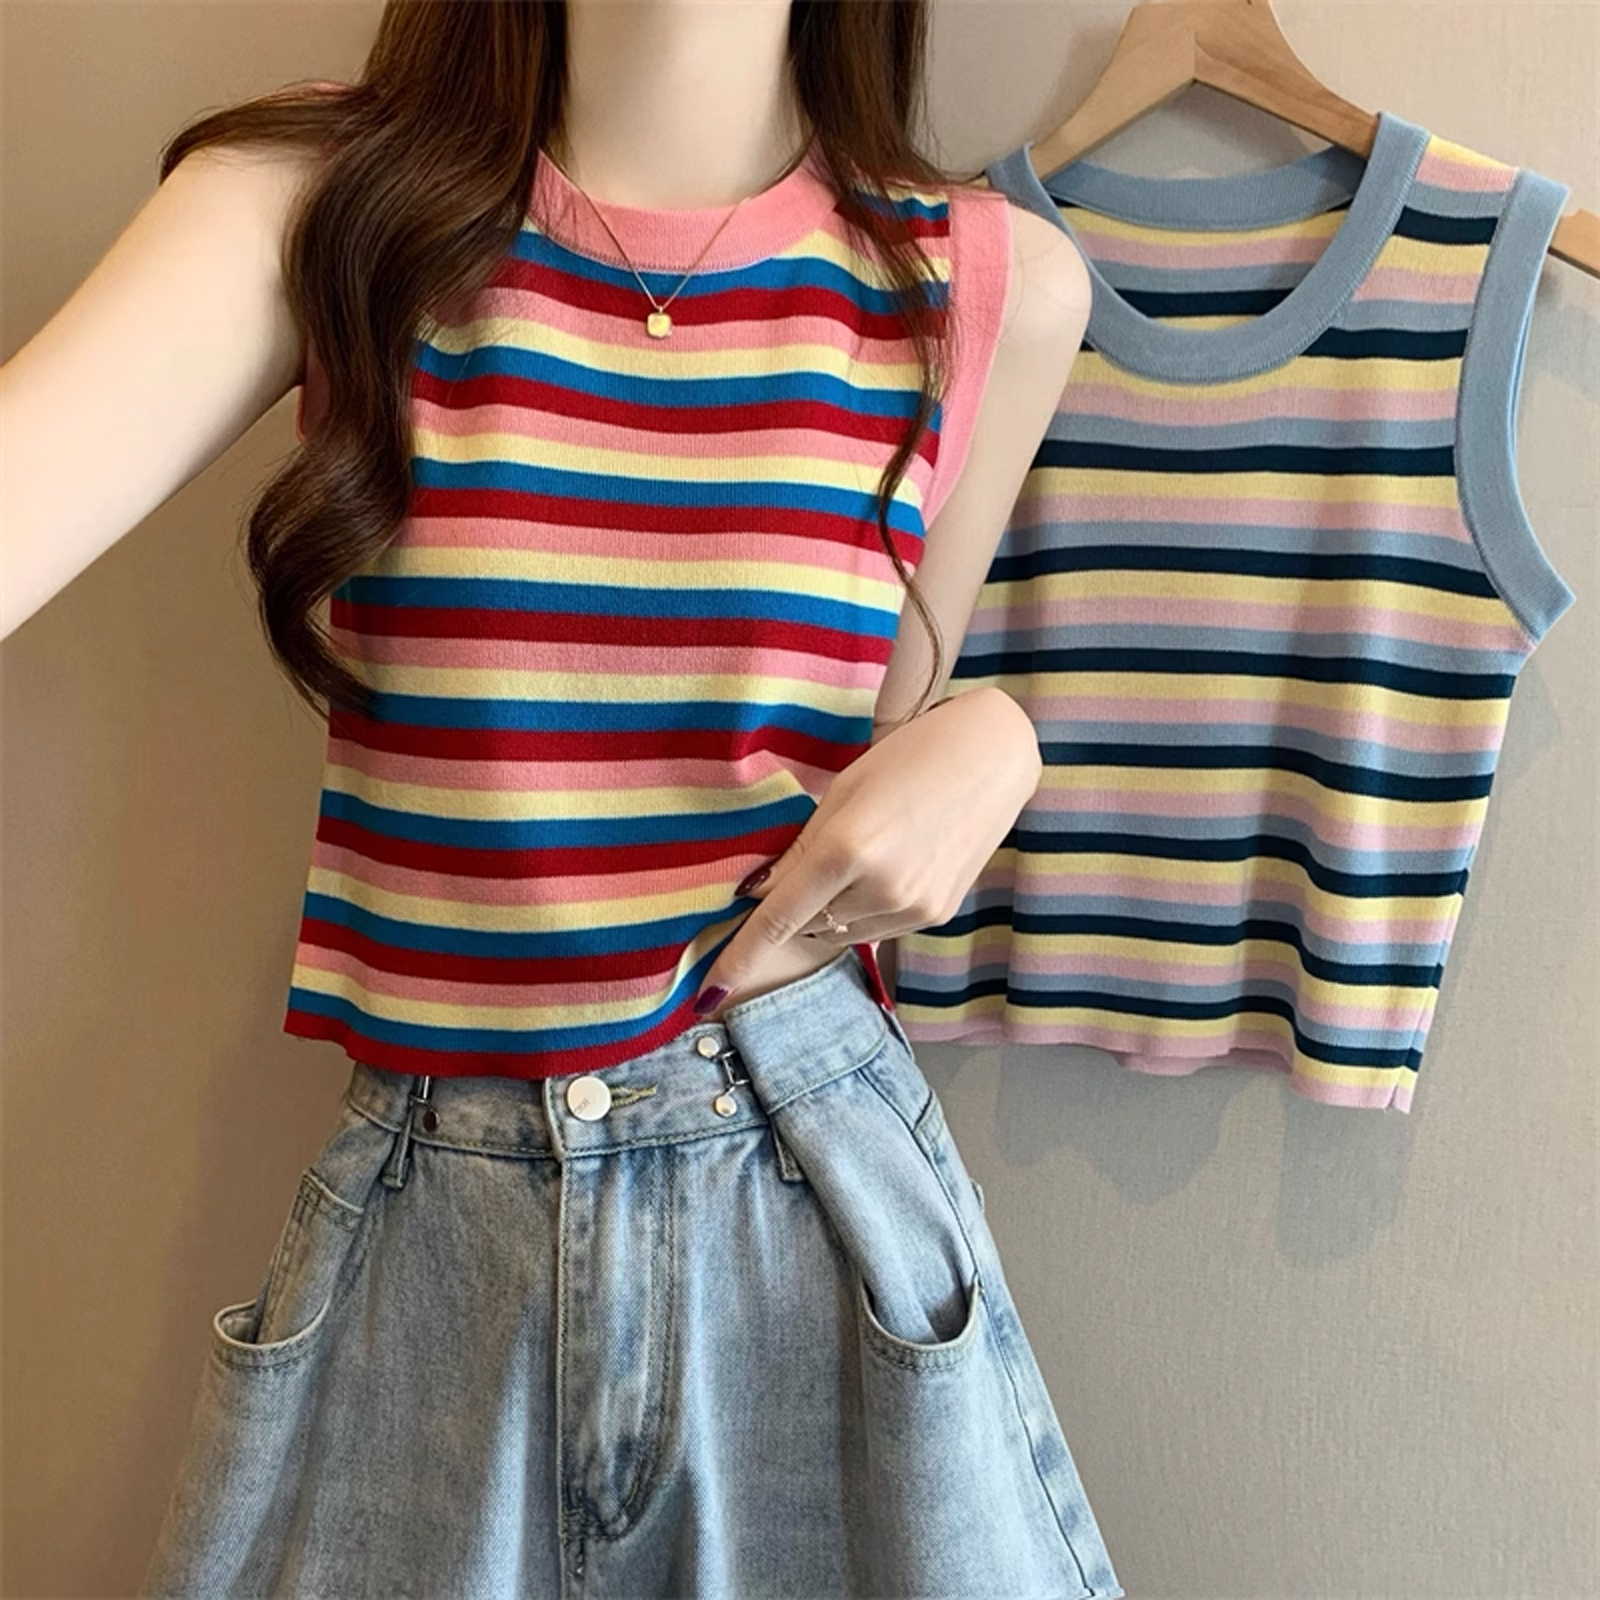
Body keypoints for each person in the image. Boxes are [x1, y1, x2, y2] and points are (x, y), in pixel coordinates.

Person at [2, 3, 1124, 1595]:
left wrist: (999, 733)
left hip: (803, 1182)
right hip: (441, 1215)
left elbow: (880, 735)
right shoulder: (329, 208)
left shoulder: (985, 285)